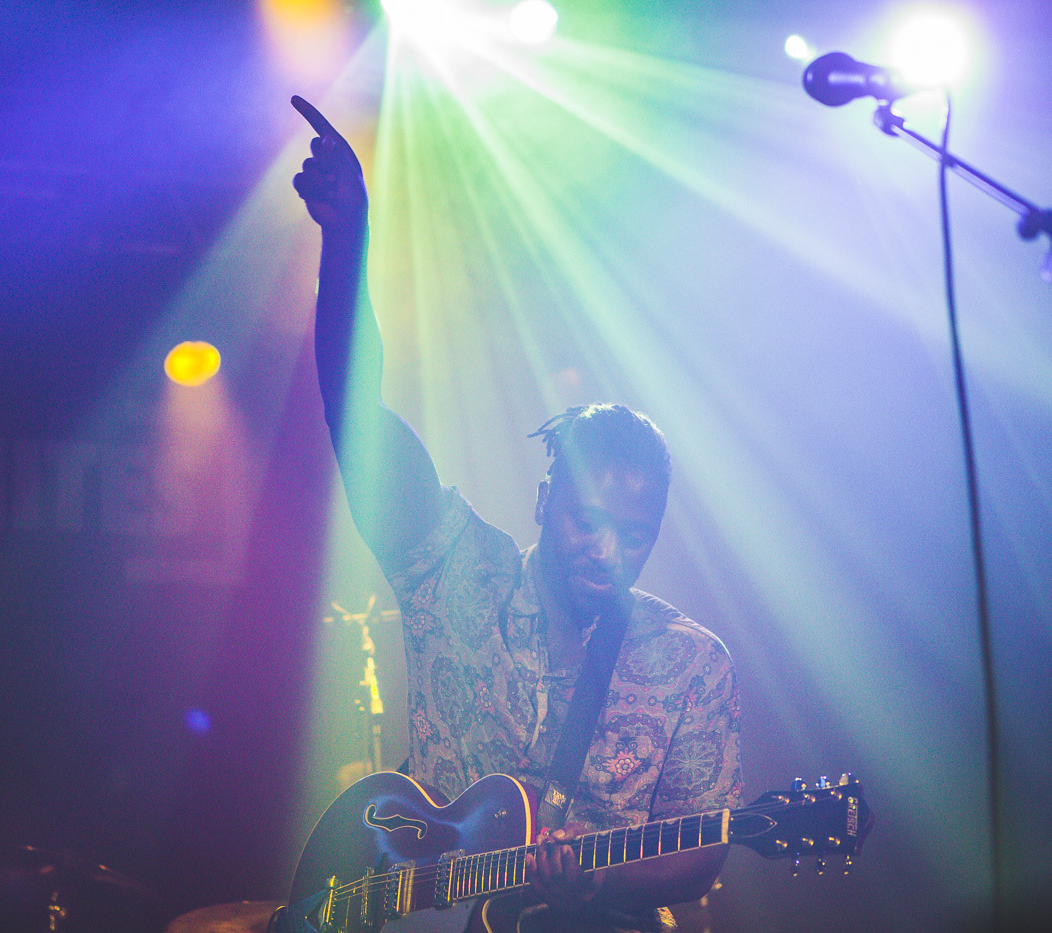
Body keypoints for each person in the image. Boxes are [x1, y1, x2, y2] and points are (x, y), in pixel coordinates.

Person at [290, 96, 742, 933]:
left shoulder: (691, 664)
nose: (608, 549)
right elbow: (356, 412)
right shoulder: (453, 567)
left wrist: (593, 885)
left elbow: (701, 849)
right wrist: (347, 241)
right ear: (542, 500)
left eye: (635, 534)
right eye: (586, 520)